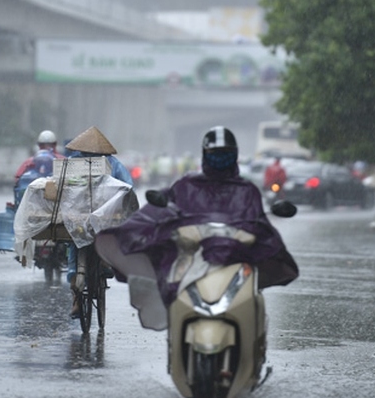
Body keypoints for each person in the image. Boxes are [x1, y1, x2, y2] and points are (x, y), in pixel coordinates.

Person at [98, 126, 298, 307]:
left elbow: (260, 228)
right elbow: (159, 210)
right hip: (193, 261)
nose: (220, 160)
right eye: (215, 155)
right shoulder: (187, 185)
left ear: (234, 156)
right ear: (205, 155)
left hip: (237, 264)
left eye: (225, 155)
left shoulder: (248, 191)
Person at [63, 126, 134, 318]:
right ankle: (105, 262)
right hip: (102, 217)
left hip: (76, 216)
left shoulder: (72, 162)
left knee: (73, 251)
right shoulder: (112, 162)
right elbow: (128, 185)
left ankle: (76, 302)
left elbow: (60, 185)